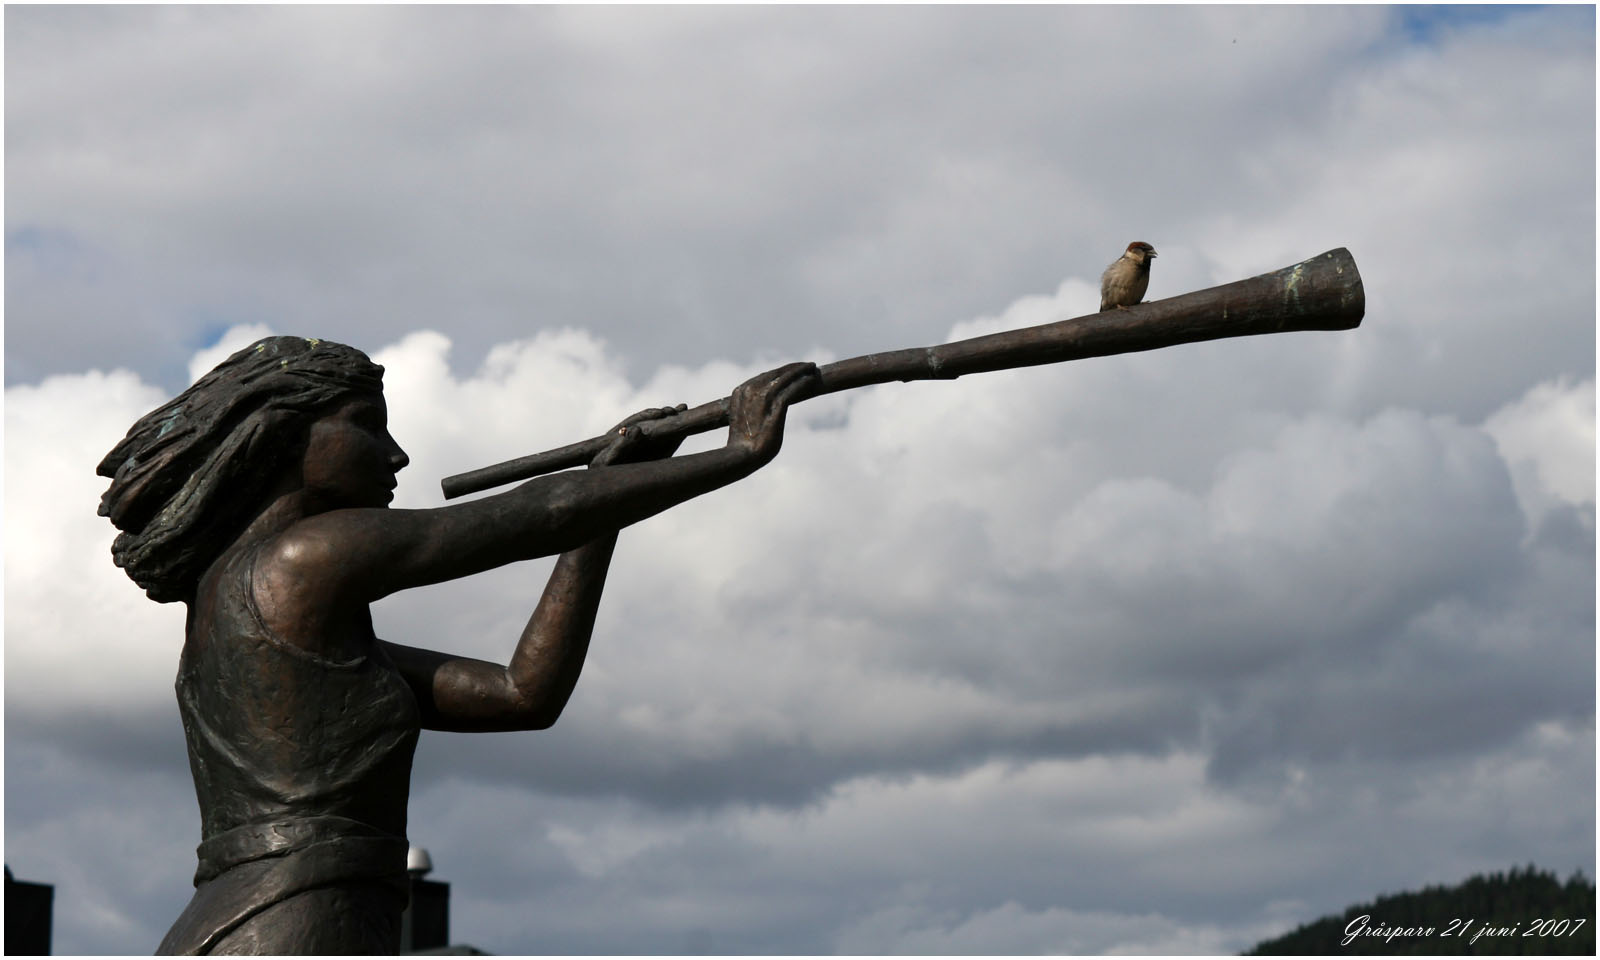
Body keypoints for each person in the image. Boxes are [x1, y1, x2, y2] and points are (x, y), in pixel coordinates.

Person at [96, 336, 818, 955]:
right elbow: (541, 511)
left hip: (260, 913)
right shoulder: (304, 557)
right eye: (366, 427)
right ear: (284, 434)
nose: (396, 454)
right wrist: (737, 455)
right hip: (298, 915)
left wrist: (607, 504)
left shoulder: (249, 614)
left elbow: (521, 694)